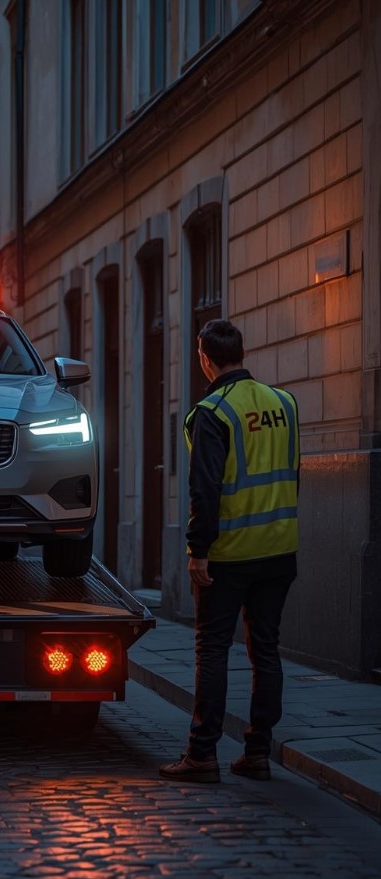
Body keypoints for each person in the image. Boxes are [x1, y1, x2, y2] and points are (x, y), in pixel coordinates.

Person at [160, 319, 300, 784]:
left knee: (213, 651)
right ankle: (258, 751)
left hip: (229, 554)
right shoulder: (285, 404)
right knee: (266, 651)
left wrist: (198, 551)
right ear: (242, 352)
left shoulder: (211, 412)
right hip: (279, 550)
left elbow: (205, 490)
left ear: (204, 358)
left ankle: (202, 755)